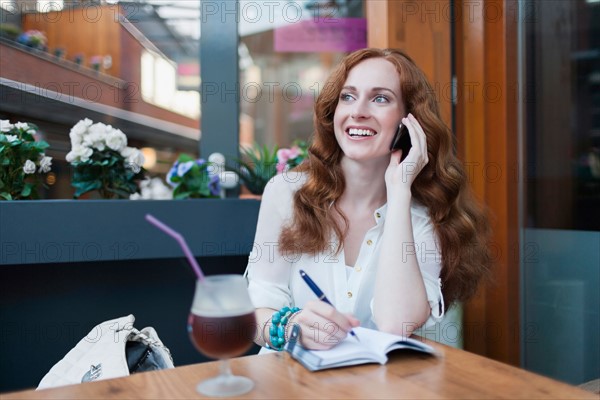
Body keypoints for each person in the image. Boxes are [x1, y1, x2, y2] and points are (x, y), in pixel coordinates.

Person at [245, 48, 492, 351]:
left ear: (409, 122)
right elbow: (256, 315)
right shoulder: (287, 193)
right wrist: (289, 326)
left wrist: (400, 192)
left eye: (380, 98)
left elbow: (395, 323)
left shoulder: (426, 215)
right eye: (347, 97)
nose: (358, 111)